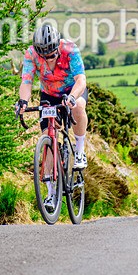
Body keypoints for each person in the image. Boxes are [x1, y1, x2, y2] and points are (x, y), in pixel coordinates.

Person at [15, 24, 88, 210]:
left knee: (79, 105)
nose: (47, 60)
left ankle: (79, 151)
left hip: (71, 91)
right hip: (48, 94)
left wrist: (72, 97)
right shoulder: (31, 54)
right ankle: (50, 194)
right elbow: (26, 81)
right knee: (47, 136)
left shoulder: (70, 49)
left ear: (57, 47)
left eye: (51, 55)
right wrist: (23, 101)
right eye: (43, 56)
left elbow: (81, 79)